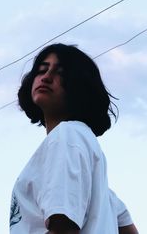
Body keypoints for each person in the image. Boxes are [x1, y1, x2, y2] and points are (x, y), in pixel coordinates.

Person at [10, 43, 138, 234]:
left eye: (61, 73)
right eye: (42, 70)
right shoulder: (101, 188)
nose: (46, 77)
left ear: (79, 85)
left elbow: (64, 228)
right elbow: (127, 227)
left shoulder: (66, 137)